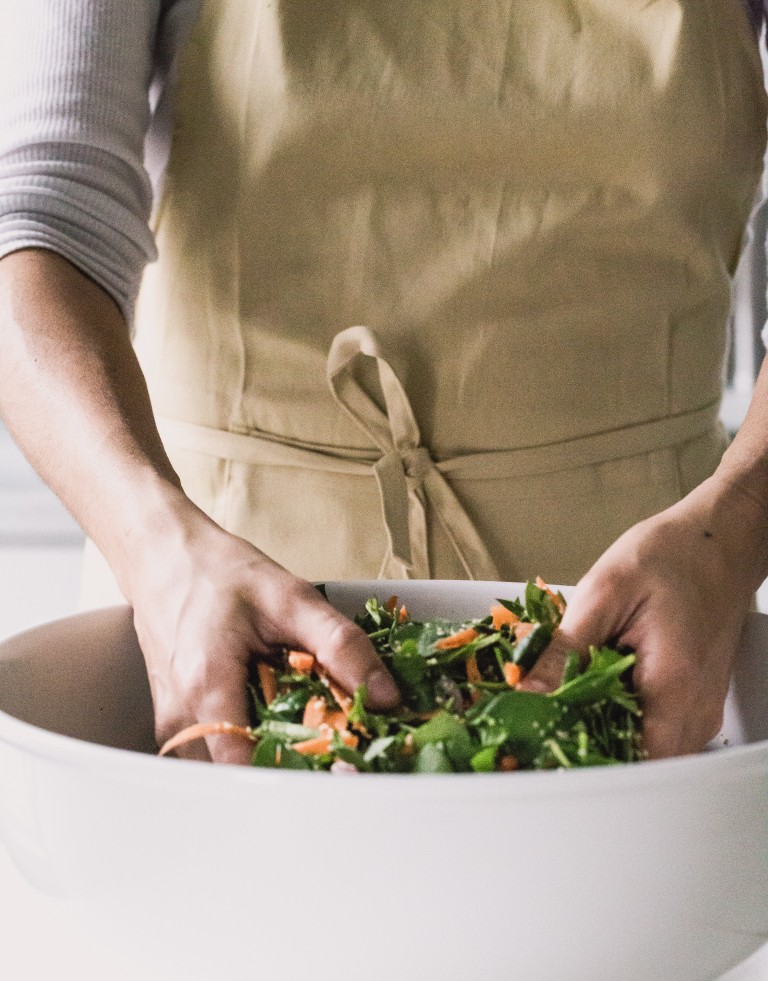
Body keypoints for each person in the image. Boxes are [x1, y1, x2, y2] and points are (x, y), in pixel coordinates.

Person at [1, 0, 767, 763]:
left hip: (644, 647)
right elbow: (37, 215)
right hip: (213, 625)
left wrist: (734, 532)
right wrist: (159, 552)